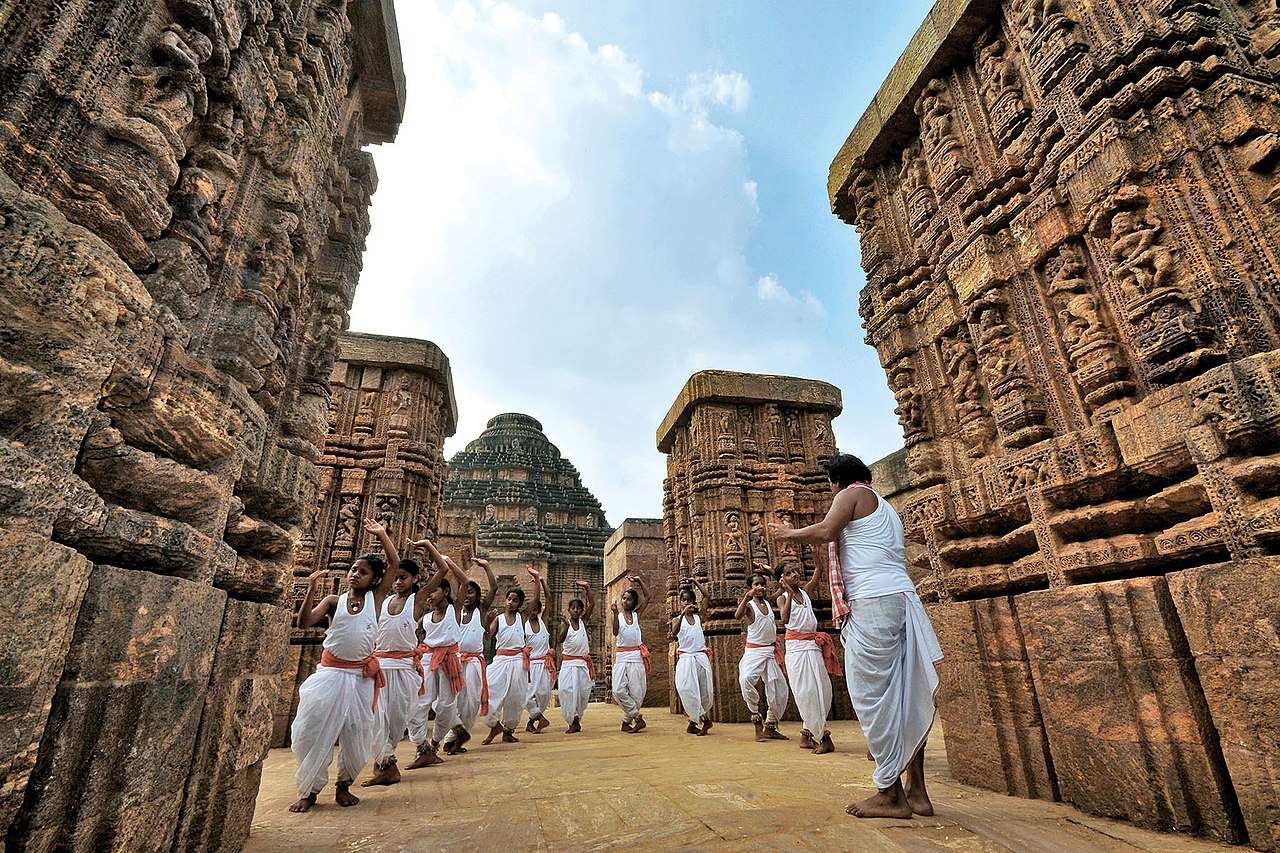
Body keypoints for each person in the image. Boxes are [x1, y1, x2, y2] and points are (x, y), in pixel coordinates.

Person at [771, 452, 943, 819]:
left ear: (837, 480)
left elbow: (827, 530)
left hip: (873, 603)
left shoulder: (850, 494)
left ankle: (890, 794)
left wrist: (788, 534)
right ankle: (918, 793)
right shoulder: (884, 506)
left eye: (830, 484)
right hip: (900, 599)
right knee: (903, 695)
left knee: (872, 697)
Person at [289, 518, 398, 812]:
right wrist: (312, 588)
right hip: (330, 675)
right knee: (311, 730)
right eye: (353, 569)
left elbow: (395, 562)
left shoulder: (376, 600)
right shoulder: (333, 601)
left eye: (363, 572)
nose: (355, 575)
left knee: (357, 732)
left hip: (360, 678)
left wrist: (381, 535)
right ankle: (309, 789)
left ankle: (344, 784)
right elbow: (304, 622)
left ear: (374, 580)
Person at [404, 541, 467, 769]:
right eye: (429, 591)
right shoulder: (426, 619)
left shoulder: (454, 611)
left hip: (449, 661)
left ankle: (435, 743)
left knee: (446, 706)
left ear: (446, 592)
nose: (430, 595)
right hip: (429, 660)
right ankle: (421, 747)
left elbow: (466, 582)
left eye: (435, 591)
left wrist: (449, 563)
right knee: (420, 703)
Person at [776, 559, 840, 755]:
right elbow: (785, 619)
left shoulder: (805, 592)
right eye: (789, 573)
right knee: (805, 692)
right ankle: (823, 737)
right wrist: (786, 592)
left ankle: (807, 734)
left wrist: (817, 557)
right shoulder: (783, 598)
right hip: (796, 649)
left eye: (795, 571)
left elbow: (818, 571)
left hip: (812, 647)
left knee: (822, 689)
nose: (794, 574)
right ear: (782, 579)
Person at [442, 555, 496, 755]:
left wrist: (487, 567)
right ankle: (455, 732)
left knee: (470, 702)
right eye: (466, 593)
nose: (467, 596)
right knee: (449, 699)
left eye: (472, 593)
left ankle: (455, 738)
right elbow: (460, 584)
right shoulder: (455, 611)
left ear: (478, 597)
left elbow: (495, 587)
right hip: (455, 660)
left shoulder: (481, 611)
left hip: (473, 662)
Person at [481, 567, 540, 744]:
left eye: (515, 600)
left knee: (515, 697)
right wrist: (486, 621)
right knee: (489, 692)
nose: (511, 603)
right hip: (500, 661)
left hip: (517, 662)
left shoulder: (522, 618)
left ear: (519, 603)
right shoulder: (498, 618)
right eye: (509, 599)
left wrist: (537, 579)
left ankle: (509, 730)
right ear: (505, 600)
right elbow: (487, 636)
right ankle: (493, 725)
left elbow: (536, 599)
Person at [734, 568, 790, 742]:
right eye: (756, 584)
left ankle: (770, 725)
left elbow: (782, 587)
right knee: (746, 679)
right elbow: (737, 616)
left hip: (770, 652)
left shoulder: (768, 601)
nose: (761, 587)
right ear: (750, 587)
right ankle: (756, 720)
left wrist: (772, 573)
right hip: (754, 652)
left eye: (762, 584)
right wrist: (746, 597)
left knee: (779, 689)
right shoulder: (750, 606)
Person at [672, 576, 714, 735]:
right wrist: (683, 613)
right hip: (685, 659)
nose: (686, 603)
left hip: (700, 658)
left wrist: (695, 582)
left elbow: (707, 596)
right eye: (683, 600)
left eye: (689, 600)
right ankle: (703, 719)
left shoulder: (698, 617)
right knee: (686, 689)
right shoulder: (677, 619)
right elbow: (674, 632)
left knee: (702, 690)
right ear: (680, 602)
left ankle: (695, 721)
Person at [611, 574, 651, 733]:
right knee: (618, 690)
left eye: (628, 599)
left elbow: (648, 596)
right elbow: (615, 632)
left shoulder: (636, 615)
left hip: (636, 657)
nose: (624, 601)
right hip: (622, 657)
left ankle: (626, 721)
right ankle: (637, 717)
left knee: (637, 692)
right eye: (623, 598)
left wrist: (640, 581)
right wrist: (614, 614)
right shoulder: (619, 617)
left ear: (634, 602)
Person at [557, 579, 595, 732]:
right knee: (568, 692)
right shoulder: (564, 624)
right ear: (569, 610)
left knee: (582, 694)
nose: (576, 610)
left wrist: (587, 587)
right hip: (568, 665)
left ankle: (577, 718)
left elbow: (592, 604)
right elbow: (560, 639)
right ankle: (571, 720)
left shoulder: (583, 622)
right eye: (573, 608)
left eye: (579, 608)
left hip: (582, 664)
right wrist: (566, 626)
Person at [523, 572, 556, 734]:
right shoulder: (523, 625)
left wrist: (542, 581)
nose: (534, 612)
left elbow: (549, 599)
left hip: (544, 664)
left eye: (537, 609)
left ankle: (533, 720)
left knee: (543, 694)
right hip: (530, 664)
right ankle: (539, 717)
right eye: (532, 609)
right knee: (527, 695)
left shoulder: (543, 622)